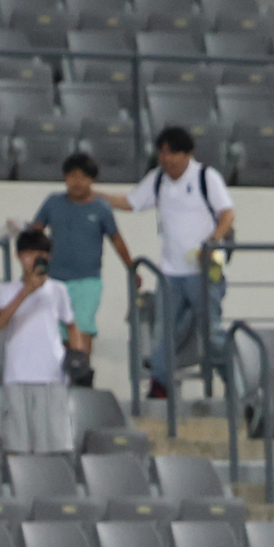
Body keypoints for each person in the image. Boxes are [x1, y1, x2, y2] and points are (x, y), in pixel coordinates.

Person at [101, 125, 234, 399]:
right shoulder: (158, 179)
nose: (167, 159)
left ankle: (234, 384)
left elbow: (227, 214)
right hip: (170, 273)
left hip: (205, 270)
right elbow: (131, 202)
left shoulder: (206, 177)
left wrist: (212, 241)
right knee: (163, 333)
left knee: (212, 333)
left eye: (172, 153)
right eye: (162, 153)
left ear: (188, 154)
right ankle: (160, 386)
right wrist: (95, 195)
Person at [30, 151, 134, 363]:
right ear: (65, 177)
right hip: (54, 279)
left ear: (92, 180)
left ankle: (82, 379)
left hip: (87, 281)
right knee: (56, 333)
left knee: (82, 328)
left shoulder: (101, 208)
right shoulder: (52, 202)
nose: (77, 182)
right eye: (72, 176)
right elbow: (35, 234)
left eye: (83, 177)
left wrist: (131, 268)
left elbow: (117, 240)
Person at [0, 227, 79, 454]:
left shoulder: (58, 289)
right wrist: (26, 291)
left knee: (55, 443)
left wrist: (78, 355)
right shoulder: (7, 290)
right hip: (18, 373)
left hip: (52, 373)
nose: (33, 259)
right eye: (28, 254)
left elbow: (71, 324)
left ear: (48, 257)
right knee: (17, 444)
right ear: (19, 257)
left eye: (40, 254)